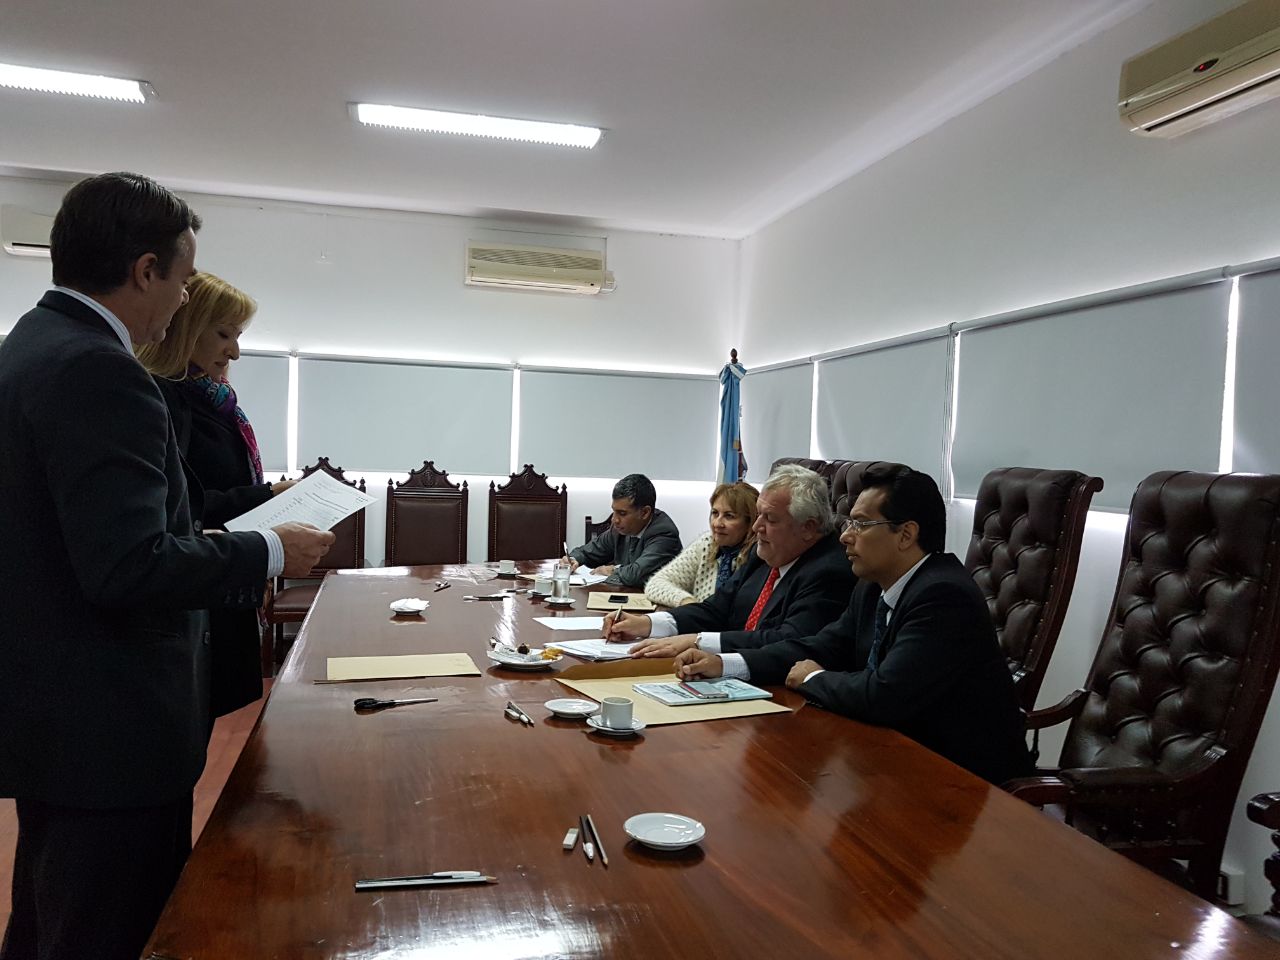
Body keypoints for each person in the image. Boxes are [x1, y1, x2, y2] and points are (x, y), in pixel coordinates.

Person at [0, 171, 335, 960]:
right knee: (110, 928)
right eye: (183, 282)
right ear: (145, 270)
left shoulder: (29, 345)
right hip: (110, 726)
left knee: (50, 915)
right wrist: (270, 549)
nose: (184, 301)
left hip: (55, 711)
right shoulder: (99, 370)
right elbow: (128, 565)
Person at [675, 464, 1033, 786]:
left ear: (906, 534)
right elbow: (819, 646)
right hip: (890, 761)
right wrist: (726, 664)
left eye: (860, 524)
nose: (845, 535)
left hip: (964, 783)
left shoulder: (943, 595)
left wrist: (814, 678)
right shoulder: (872, 585)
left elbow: (883, 695)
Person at [137, 271, 294, 717]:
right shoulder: (162, 400)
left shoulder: (215, 402)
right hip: (194, 595)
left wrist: (268, 496)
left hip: (220, 583)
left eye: (238, 336)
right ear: (186, 328)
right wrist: (266, 496)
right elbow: (184, 507)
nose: (235, 351)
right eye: (224, 334)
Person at [607, 464, 854, 658]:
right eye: (758, 515)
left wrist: (698, 641)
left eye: (770, 519)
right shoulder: (765, 555)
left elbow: (786, 640)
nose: (756, 527)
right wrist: (647, 624)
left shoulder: (830, 571)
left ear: (808, 527)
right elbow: (716, 609)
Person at [643, 481, 759, 607]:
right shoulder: (708, 544)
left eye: (729, 516)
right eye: (715, 513)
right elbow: (656, 584)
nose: (717, 523)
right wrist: (690, 604)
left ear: (750, 522)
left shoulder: (758, 555)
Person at [565, 473, 682, 587]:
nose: (614, 520)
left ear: (645, 513)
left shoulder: (664, 533)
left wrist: (613, 570)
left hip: (659, 598)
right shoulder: (619, 529)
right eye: (614, 511)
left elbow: (636, 575)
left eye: (622, 513)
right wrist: (574, 560)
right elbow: (590, 551)